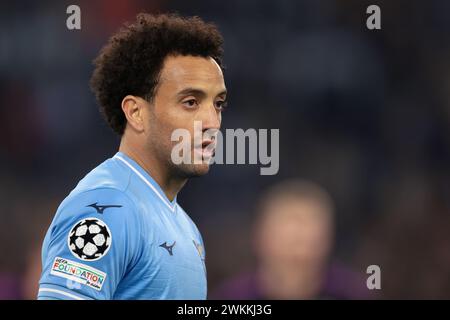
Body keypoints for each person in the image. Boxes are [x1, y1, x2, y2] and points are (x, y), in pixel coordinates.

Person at [38, 13, 227, 300]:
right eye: (190, 102)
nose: (212, 122)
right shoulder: (107, 208)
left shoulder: (185, 226)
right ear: (136, 112)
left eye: (218, 104)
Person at [213, 179, 371, 299]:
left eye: (309, 242)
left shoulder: (354, 293)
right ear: (260, 238)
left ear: (328, 240)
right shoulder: (231, 297)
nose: (298, 255)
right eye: (288, 240)